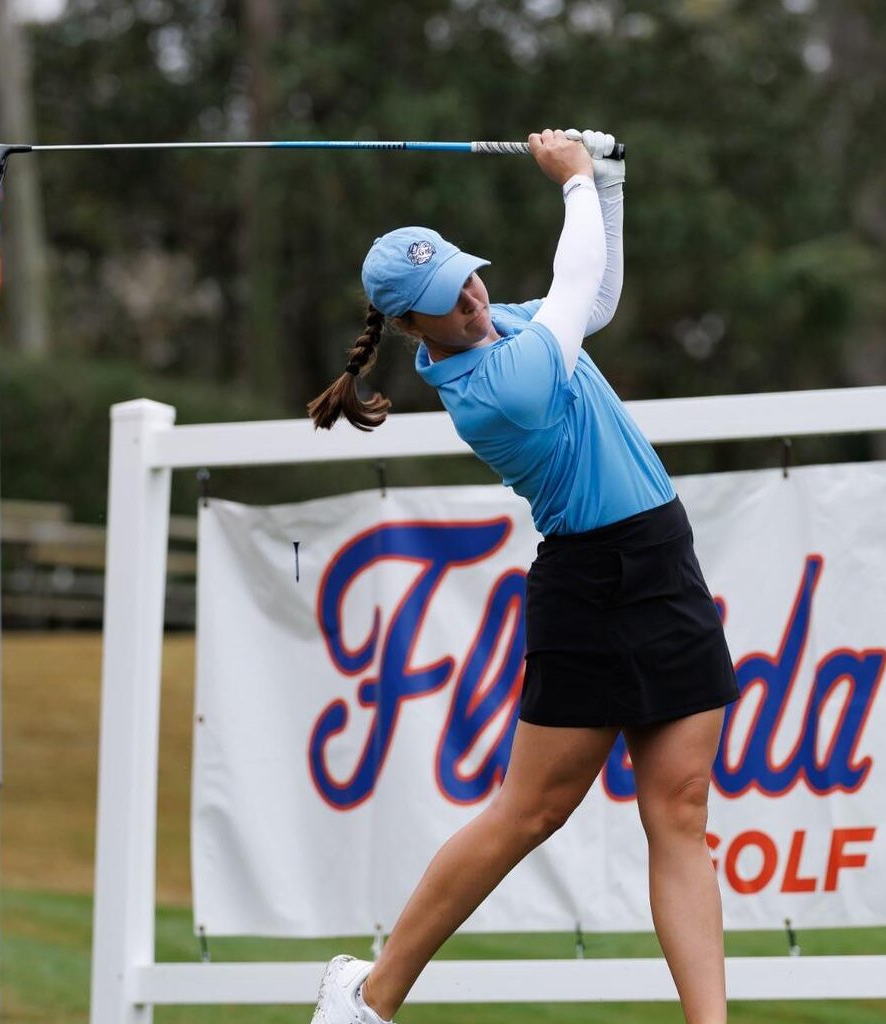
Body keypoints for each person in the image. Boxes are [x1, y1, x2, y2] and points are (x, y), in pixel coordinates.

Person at [306, 129, 738, 1024]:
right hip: (591, 582)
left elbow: (598, 297)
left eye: (466, 274)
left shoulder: (506, 325)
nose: (471, 296)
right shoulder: (494, 385)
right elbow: (577, 284)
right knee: (531, 813)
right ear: (411, 327)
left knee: (683, 807)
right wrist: (575, 180)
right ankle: (369, 998)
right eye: (445, 299)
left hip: (662, 557)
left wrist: (608, 181)